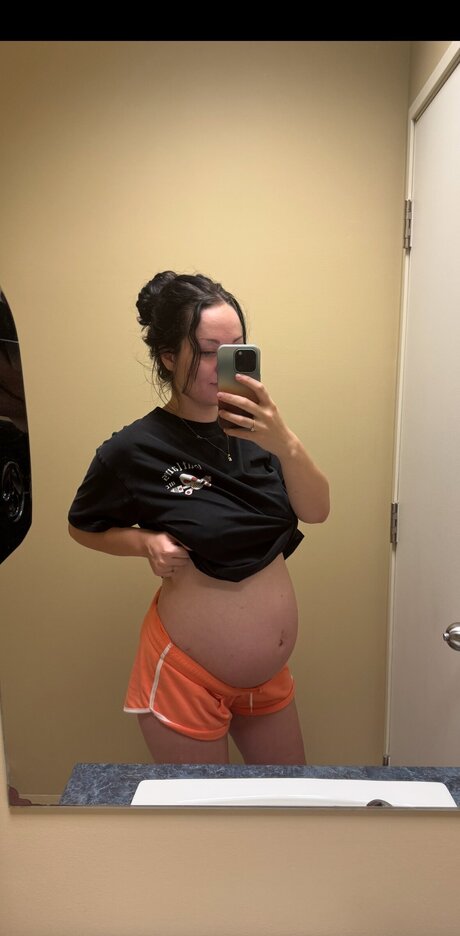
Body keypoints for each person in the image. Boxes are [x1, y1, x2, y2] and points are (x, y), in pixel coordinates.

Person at [68, 272, 330, 764]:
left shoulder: (262, 431)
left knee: (289, 799)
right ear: (169, 357)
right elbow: (82, 526)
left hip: (268, 679)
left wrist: (285, 442)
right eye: (209, 351)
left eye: (236, 349)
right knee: (203, 813)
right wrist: (144, 543)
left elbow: (316, 511)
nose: (224, 364)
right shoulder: (135, 448)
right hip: (187, 676)